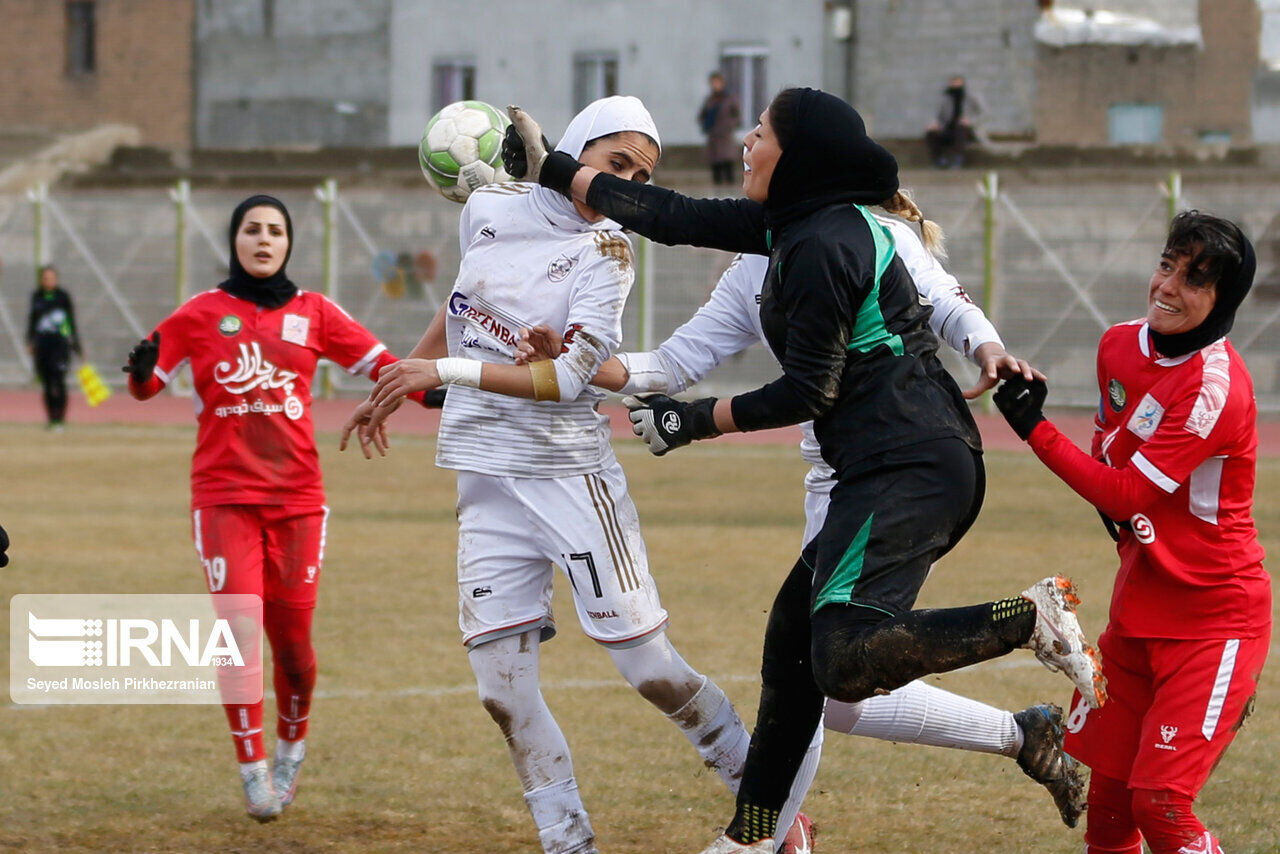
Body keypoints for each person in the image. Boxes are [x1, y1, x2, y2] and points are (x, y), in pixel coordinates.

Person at [503, 88, 1105, 853]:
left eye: (760, 133)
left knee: (842, 663)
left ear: (800, 158)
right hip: (877, 465)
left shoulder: (831, 242)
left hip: (905, 462)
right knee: (795, 659)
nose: (745, 144)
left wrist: (692, 422)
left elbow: (812, 387)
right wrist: (553, 168)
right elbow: (675, 222)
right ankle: (756, 834)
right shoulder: (782, 228)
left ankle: (1028, 619)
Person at [347, 97, 812, 854]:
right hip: (486, 474)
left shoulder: (610, 252)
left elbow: (568, 381)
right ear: (573, 146)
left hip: (569, 476)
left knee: (652, 673)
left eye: (638, 173)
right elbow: (466, 296)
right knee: (500, 688)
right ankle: (568, 842)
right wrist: (405, 373)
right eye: (614, 160)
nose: (622, 181)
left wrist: (450, 367)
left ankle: (781, 820)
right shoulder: (489, 207)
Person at [122, 194, 430, 823]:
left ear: (289, 243)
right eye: (251, 230)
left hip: (297, 501)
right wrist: (142, 370)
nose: (263, 240)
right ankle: (253, 772)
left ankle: (291, 748)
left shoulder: (315, 312)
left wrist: (447, 389)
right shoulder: (202, 312)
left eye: (275, 231)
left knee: (292, 647)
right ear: (234, 240)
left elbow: (385, 367)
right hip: (223, 497)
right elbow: (148, 383)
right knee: (236, 636)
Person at [993, 211, 1270, 854]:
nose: (1168, 287)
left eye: (1195, 280)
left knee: (1161, 805)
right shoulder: (1118, 344)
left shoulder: (1214, 388)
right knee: (1112, 811)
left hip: (1214, 618)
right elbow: (1109, 458)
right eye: (1168, 265)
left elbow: (1125, 492)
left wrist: (1034, 428)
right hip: (1138, 608)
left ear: (1223, 301)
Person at [26, 264, 81, 430]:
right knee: (47, 382)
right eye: (45, 278)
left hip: (60, 345)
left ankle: (60, 418)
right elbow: (32, 321)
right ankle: (51, 418)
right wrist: (30, 341)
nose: (48, 281)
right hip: (43, 346)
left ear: (56, 279)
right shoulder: (37, 296)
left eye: (51, 278)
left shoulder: (63, 297)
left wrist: (76, 344)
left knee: (59, 380)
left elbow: (71, 321)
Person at [924, 75, 983, 169]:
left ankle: (957, 159)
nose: (955, 84)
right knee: (931, 133)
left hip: (966, 130)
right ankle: (939, 160)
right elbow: (937, 114)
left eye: (957, 82)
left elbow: (982, 114)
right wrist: (935, 123)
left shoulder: (970, 98)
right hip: (947, 128)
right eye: (953, 82)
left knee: (961, 129)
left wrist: (970, 121)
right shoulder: (945, 98)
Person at [698, 71, 742, 186]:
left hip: (725, 137)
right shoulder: (710, 100)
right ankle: (717, 193)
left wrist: (729, 125)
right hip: (713, 137)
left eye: (717, 82)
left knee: (727, 164)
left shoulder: (729, 98)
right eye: (713, 83)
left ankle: (730, 193)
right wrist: (707, 126)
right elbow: (702, 116)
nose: (715, 85)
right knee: (716, 166)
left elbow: (737, 116)